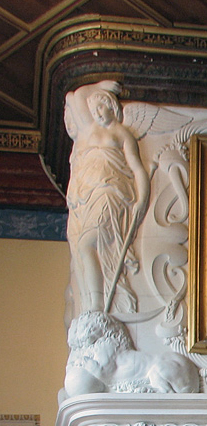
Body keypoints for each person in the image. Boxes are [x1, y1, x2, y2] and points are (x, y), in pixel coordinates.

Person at [65, 81, 150, 314]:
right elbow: (77, 96)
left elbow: (138, 170)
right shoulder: (88, 130)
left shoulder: (122, 134)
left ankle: (96, 305)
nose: (97, 113)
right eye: (93, 110)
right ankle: (92, 303)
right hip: (86, 196)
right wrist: (100, 85)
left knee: (86, 244)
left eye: (100, 107)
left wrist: (142, 199)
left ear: (111, 106)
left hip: (111, 193)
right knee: (81, 247)